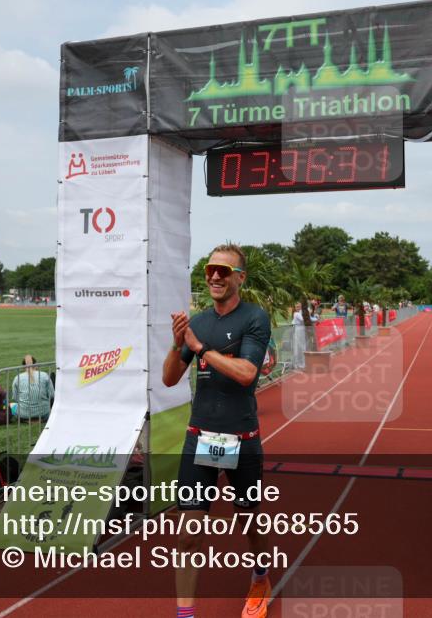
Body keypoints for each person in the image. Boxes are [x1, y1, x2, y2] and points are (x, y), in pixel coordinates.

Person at [162, 243, 272, 618]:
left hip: (241, 439)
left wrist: (200, 348)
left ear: (240, 278)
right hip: (201, 439)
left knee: (248, 520)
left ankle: (260, 576)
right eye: (210, 270)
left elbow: (247, 374)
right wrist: (178, 345)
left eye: (223, 271)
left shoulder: (255, 318)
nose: (214, 276)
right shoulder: (198, 323)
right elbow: (169, 377)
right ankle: (185, 615)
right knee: (188, 533)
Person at [9, 355, 54, 421]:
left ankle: (26, 419)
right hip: (44, 413)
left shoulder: (17, 378)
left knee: (11, 405)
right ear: (36, 364)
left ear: (23, 366)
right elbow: (51, 395)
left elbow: (16, 398)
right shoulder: (44, 375)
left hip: (23, 414)